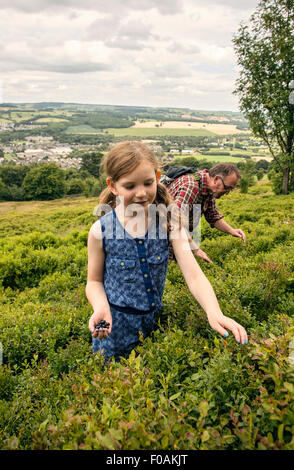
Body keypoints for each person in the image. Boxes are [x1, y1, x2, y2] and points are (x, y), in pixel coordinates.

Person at [86, 141, 248, 363]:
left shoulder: (169, 223)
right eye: (130, 186)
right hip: (112, 329)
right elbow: (93, 281)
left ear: (157, 176)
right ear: (113, 186)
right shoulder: (100, 231)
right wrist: (100, 307)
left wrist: (214, 312)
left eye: (148, 183)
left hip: (153, 325)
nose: (141, 193)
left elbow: (194, 275)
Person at [166, 163, 246, 264]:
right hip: (161, 241)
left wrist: (232, 231)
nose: (227, 193)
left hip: (178, 239)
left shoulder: (208, 190)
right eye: (227, 187)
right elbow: (175, 221)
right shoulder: (191, 187)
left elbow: (213, 216)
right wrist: (196, 250)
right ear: (216, 179)